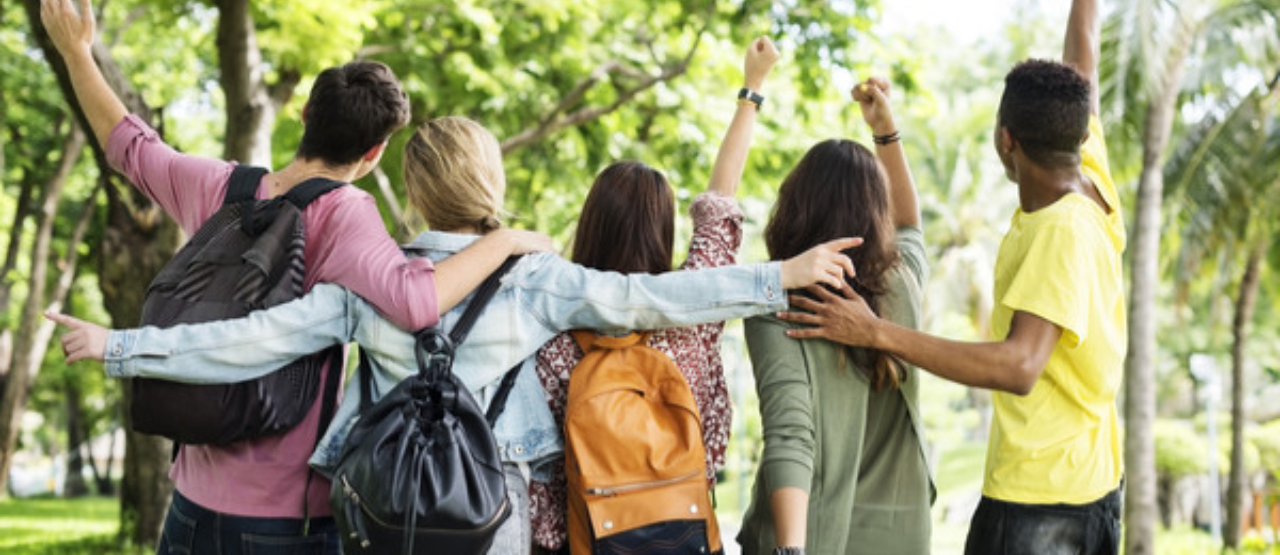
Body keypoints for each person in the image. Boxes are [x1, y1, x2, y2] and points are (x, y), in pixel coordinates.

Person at [49, 110, 860, 553]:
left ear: (412, 190)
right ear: (492, 183)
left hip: (378, 514)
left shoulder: (369, 282)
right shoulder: (535, 277)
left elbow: (249, 340)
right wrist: (778, 277)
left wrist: (121, 345)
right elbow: (656, 300)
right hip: (489, 518)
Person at [38, 0, 547, 554]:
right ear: (375, 151)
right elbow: (417, 301)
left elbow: (130, 146)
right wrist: (505, 241)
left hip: (189, 505)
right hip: (282, 519)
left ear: (304, 114)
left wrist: (77, 52)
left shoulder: (220, 187)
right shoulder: (348, 214)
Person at [780, 0, 1125, 555]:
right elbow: (1081, 70)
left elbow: (1021, 364)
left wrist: (877, 330)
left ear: (1005, 142)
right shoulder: (1087, 168)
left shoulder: (1059, 231)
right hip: (1092, 486)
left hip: (1042, 505)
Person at [529, 36, 781, 553]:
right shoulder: (694, 313)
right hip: (681, 534)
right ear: (662, 231)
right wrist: (751, 90)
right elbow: (720, 205)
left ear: (590, 224)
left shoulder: (550, 331)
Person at [736, 75, 934, 555]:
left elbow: (790, 437)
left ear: (795, 206)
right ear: (875, 212)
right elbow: (909, 224)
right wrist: (886, 132)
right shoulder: (901, 284)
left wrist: (790, 550)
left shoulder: (780, 303)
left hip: (815, 539)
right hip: (903, 535)